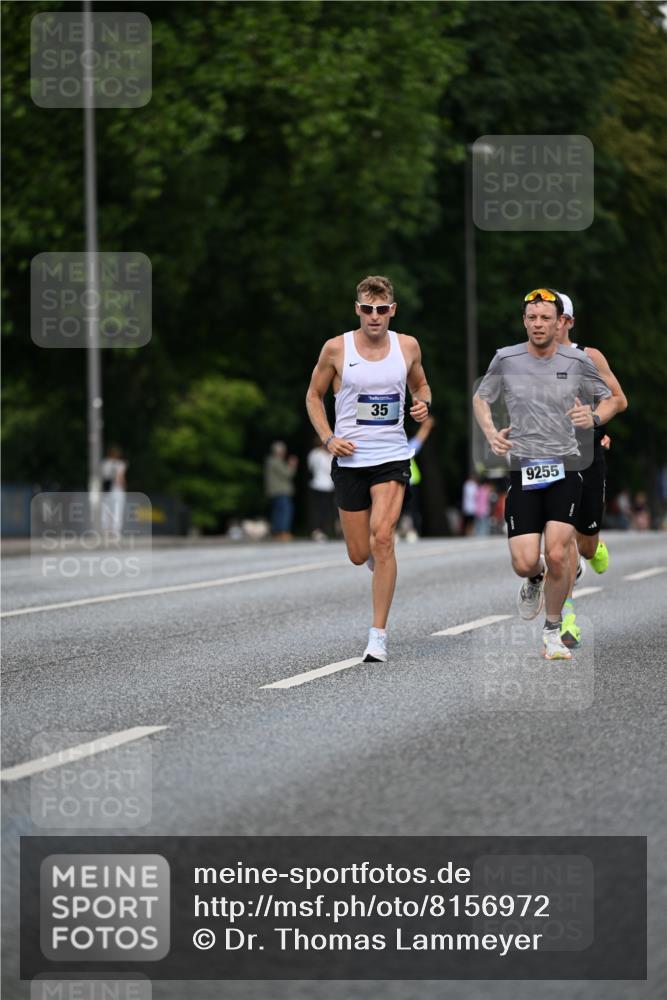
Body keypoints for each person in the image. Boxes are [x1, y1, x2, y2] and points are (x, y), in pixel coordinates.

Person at [473, 288, 618, 660]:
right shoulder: (506, 358)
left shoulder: (578, 360)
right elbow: (480, 397)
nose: (539, 324)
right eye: (532, 318)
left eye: (546, 319)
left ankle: (553, 631)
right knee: (524, 561)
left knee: (558, 552)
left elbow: (613, 398)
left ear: (559, 324)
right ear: (525, 321)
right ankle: (534, 579)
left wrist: (596, 418)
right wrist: (491, 433)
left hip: (568, 466)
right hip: (524, 468)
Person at [305, 274, 432, 663]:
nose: (374, 316)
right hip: (350, 460)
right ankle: (380, 564)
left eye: (381, 310)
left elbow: (422, 386)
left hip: (392, 457)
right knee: (360, 553)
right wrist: (328, 439)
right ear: (357, 309)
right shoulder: (335, 348)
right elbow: (313, 396)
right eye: (367, 309)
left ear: (392, 310)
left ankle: (377, 636)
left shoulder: (407, 346)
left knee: (383, 538)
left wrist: (422, 403)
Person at [555, 292, 628, 648]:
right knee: (560, 537)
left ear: (568, 322)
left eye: (556, 318)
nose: (547, 324)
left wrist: (595, 419)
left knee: (583, 543)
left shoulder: (589, 357)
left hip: (588, 454)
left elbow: (619, 399)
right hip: (551, 458)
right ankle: (566, 618)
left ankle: (593, 550)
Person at [264, 441, 298, 539]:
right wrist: (292, 465)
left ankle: (276, 532)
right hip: (281, 491)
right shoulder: (276, 461)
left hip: (274, 492)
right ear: (279, 451)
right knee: (285, 511)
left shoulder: (270, 461)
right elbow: (288, 474)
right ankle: (283, 532)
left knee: (277, 512)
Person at [307, 437, 337, 540]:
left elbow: (310, 467)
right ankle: (320, 531)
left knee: (318, 510)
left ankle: (318, 531)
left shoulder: (312, 453)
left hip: (318, 485)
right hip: (324, 486)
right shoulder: (326, 455)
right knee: (324, 510)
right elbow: (330, 469)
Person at [100, 445, 127, 535]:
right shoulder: (120, 464)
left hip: (105, 489)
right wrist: (124, 486)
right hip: (116, 489)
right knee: (117, 510)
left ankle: (105, 529)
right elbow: (120, 478)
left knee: (106, 510)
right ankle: (115, 530)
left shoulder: (103, 463)